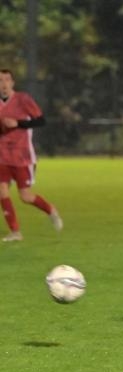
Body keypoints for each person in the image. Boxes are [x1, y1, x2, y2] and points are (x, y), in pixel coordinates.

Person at [0, 69, 63, 242]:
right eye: (0, 80)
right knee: (2, 191)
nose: (3, 84)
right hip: (2, 156)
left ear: (13, 83)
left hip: (22, 156)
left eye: (7, 80)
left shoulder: (23, 99)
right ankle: (15, 232)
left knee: (25, 196)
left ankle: (51, 210)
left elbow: (41, 121)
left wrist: (18, 123)